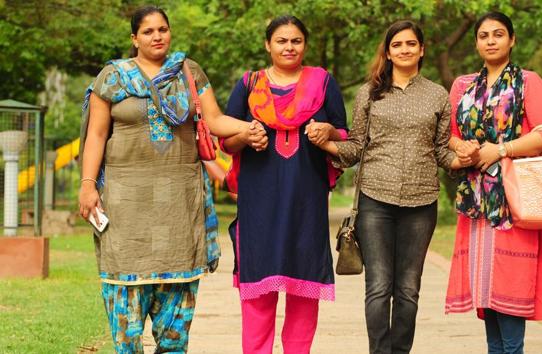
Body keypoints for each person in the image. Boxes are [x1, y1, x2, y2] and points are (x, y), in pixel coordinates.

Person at [78, 6, 266, 353]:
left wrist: (248, 127)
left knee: (174, 333)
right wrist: (88, 184)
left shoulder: (188, 72)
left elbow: (213, 119)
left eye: (162, 29)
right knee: (126, 330)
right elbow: (96, 135)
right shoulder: (113, 77)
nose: (157, 36)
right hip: (124, 208)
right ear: (134, 38)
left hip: (179, 207)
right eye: (148, 31)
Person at [315, 20, 463, 354]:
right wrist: (325, 142)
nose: (405, 50)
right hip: (375, 201)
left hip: (421, 202)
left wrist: (464, 159)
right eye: (397, 44)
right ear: (388, 51)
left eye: (411, 44)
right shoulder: (368, 93)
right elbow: (354, 147)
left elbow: (441, 151)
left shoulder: (438, 95)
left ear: (421, 50)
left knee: (408, 289)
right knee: (379, 287)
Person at [220, 15, 348, 354]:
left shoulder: (323, 82)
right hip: (259, 203)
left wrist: (329, 133)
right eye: (281, 40)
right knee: (258, 291)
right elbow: (226, 141)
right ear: (268, 45)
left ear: (304, 45)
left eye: (296, 41)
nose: (289, 47)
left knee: (304, 289)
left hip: (306, 201)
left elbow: (345, 135)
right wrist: (245, 136)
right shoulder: (249, 85)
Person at [444, 11, 542, 354]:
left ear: (512, 40)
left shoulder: (528, 81)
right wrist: (463, 148)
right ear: (477, 42)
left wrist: (502, 149)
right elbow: (448, 134)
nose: (490, 40)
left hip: (514, 200)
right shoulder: (463, 86)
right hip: (476, 202)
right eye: (483, 35)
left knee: (510, 294)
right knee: (488, 299)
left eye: (498, 34)